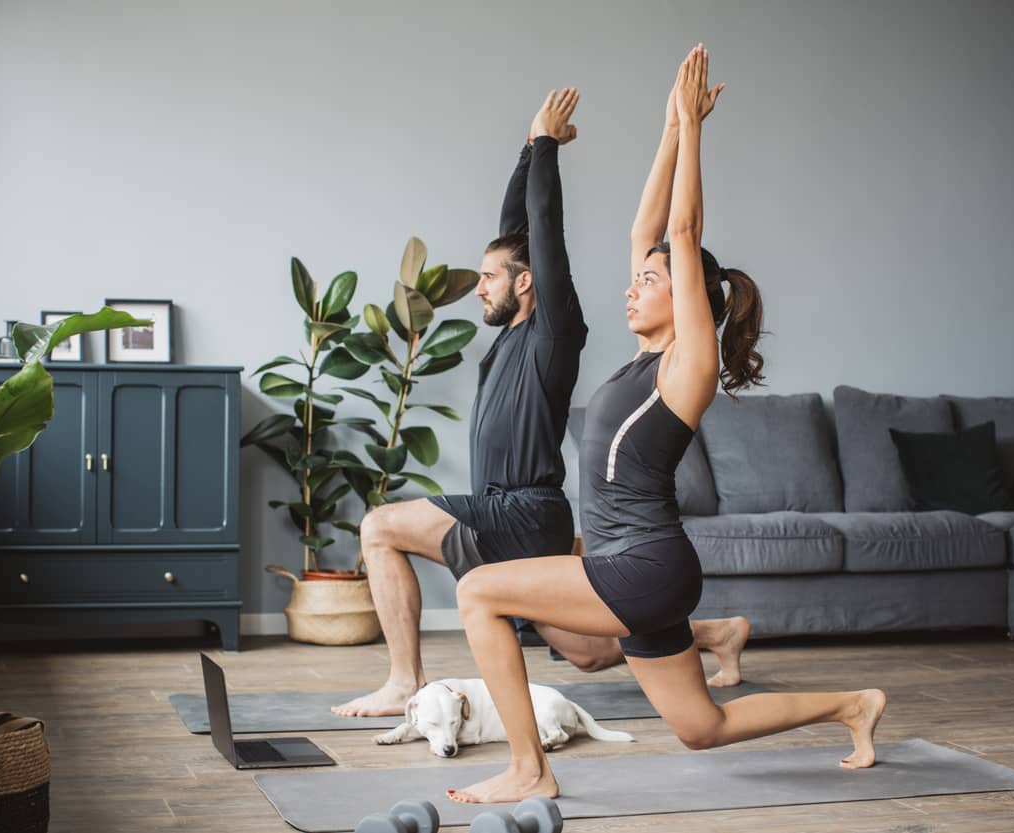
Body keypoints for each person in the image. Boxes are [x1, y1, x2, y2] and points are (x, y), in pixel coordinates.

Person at [447, 45, 887, 805]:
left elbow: (679, 235)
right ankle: (853, 705)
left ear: (687, 300)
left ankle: (529, 768)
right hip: (638, 566)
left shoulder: (690, 364)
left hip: (639, 565)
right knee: (699, 726)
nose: (632, 287)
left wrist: (693, 130)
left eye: (649, 282)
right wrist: (666, 129)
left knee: (480, 590)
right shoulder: (639, 360)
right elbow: (647, 230)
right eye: (637, 278)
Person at [333, 88, 748, 719]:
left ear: (527, 282)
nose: (481, 288)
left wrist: (548, 146)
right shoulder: (507, 340)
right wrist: (529, 150)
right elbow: (518, 228)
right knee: (588, 652)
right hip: (503, 515)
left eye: (492, 277)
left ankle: (402, 682)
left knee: (380, 527)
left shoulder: (554, 331)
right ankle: (712, 634)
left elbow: (543, 230)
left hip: (524, 511)